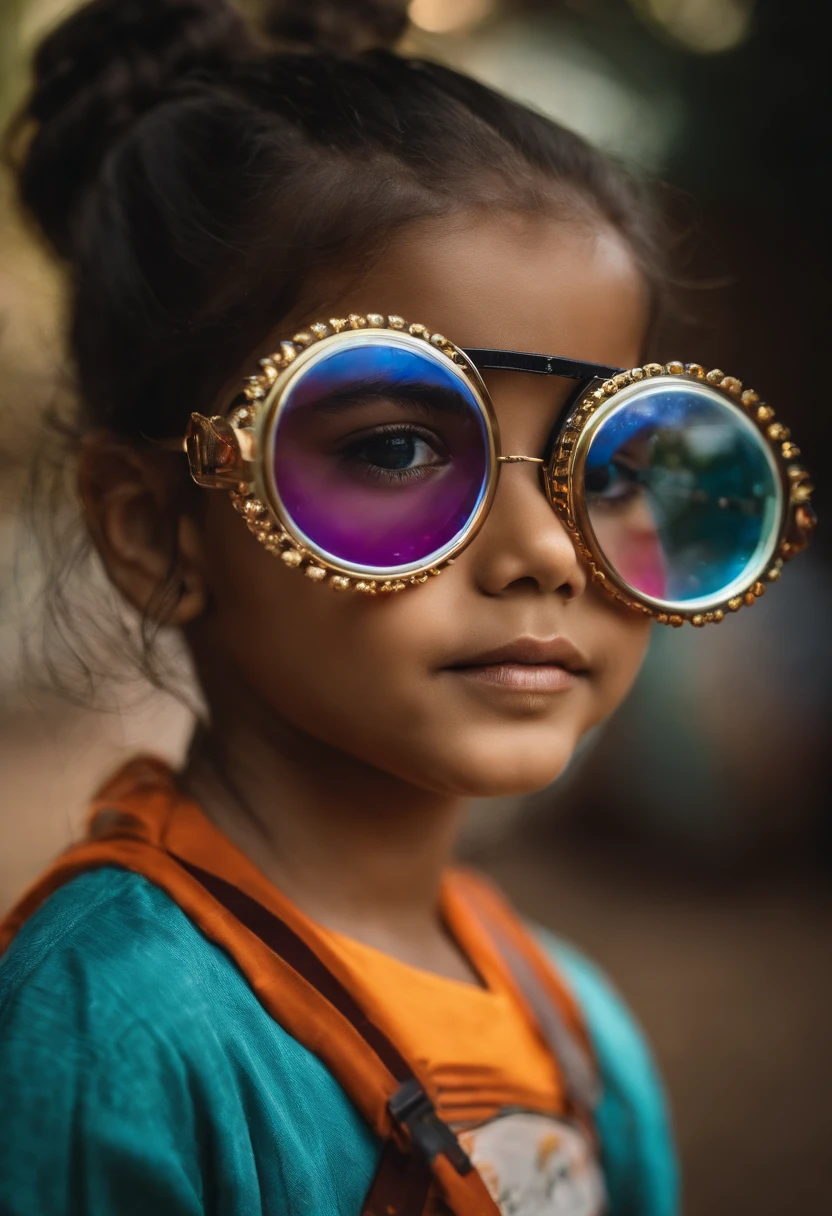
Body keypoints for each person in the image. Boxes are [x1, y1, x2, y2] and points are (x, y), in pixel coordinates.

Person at [0, 1, 814, 1213]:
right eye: (394, 448)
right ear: (156, 526)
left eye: (617, 466)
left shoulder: (579, 1033)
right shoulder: (113, 1034)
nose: (545, 550)